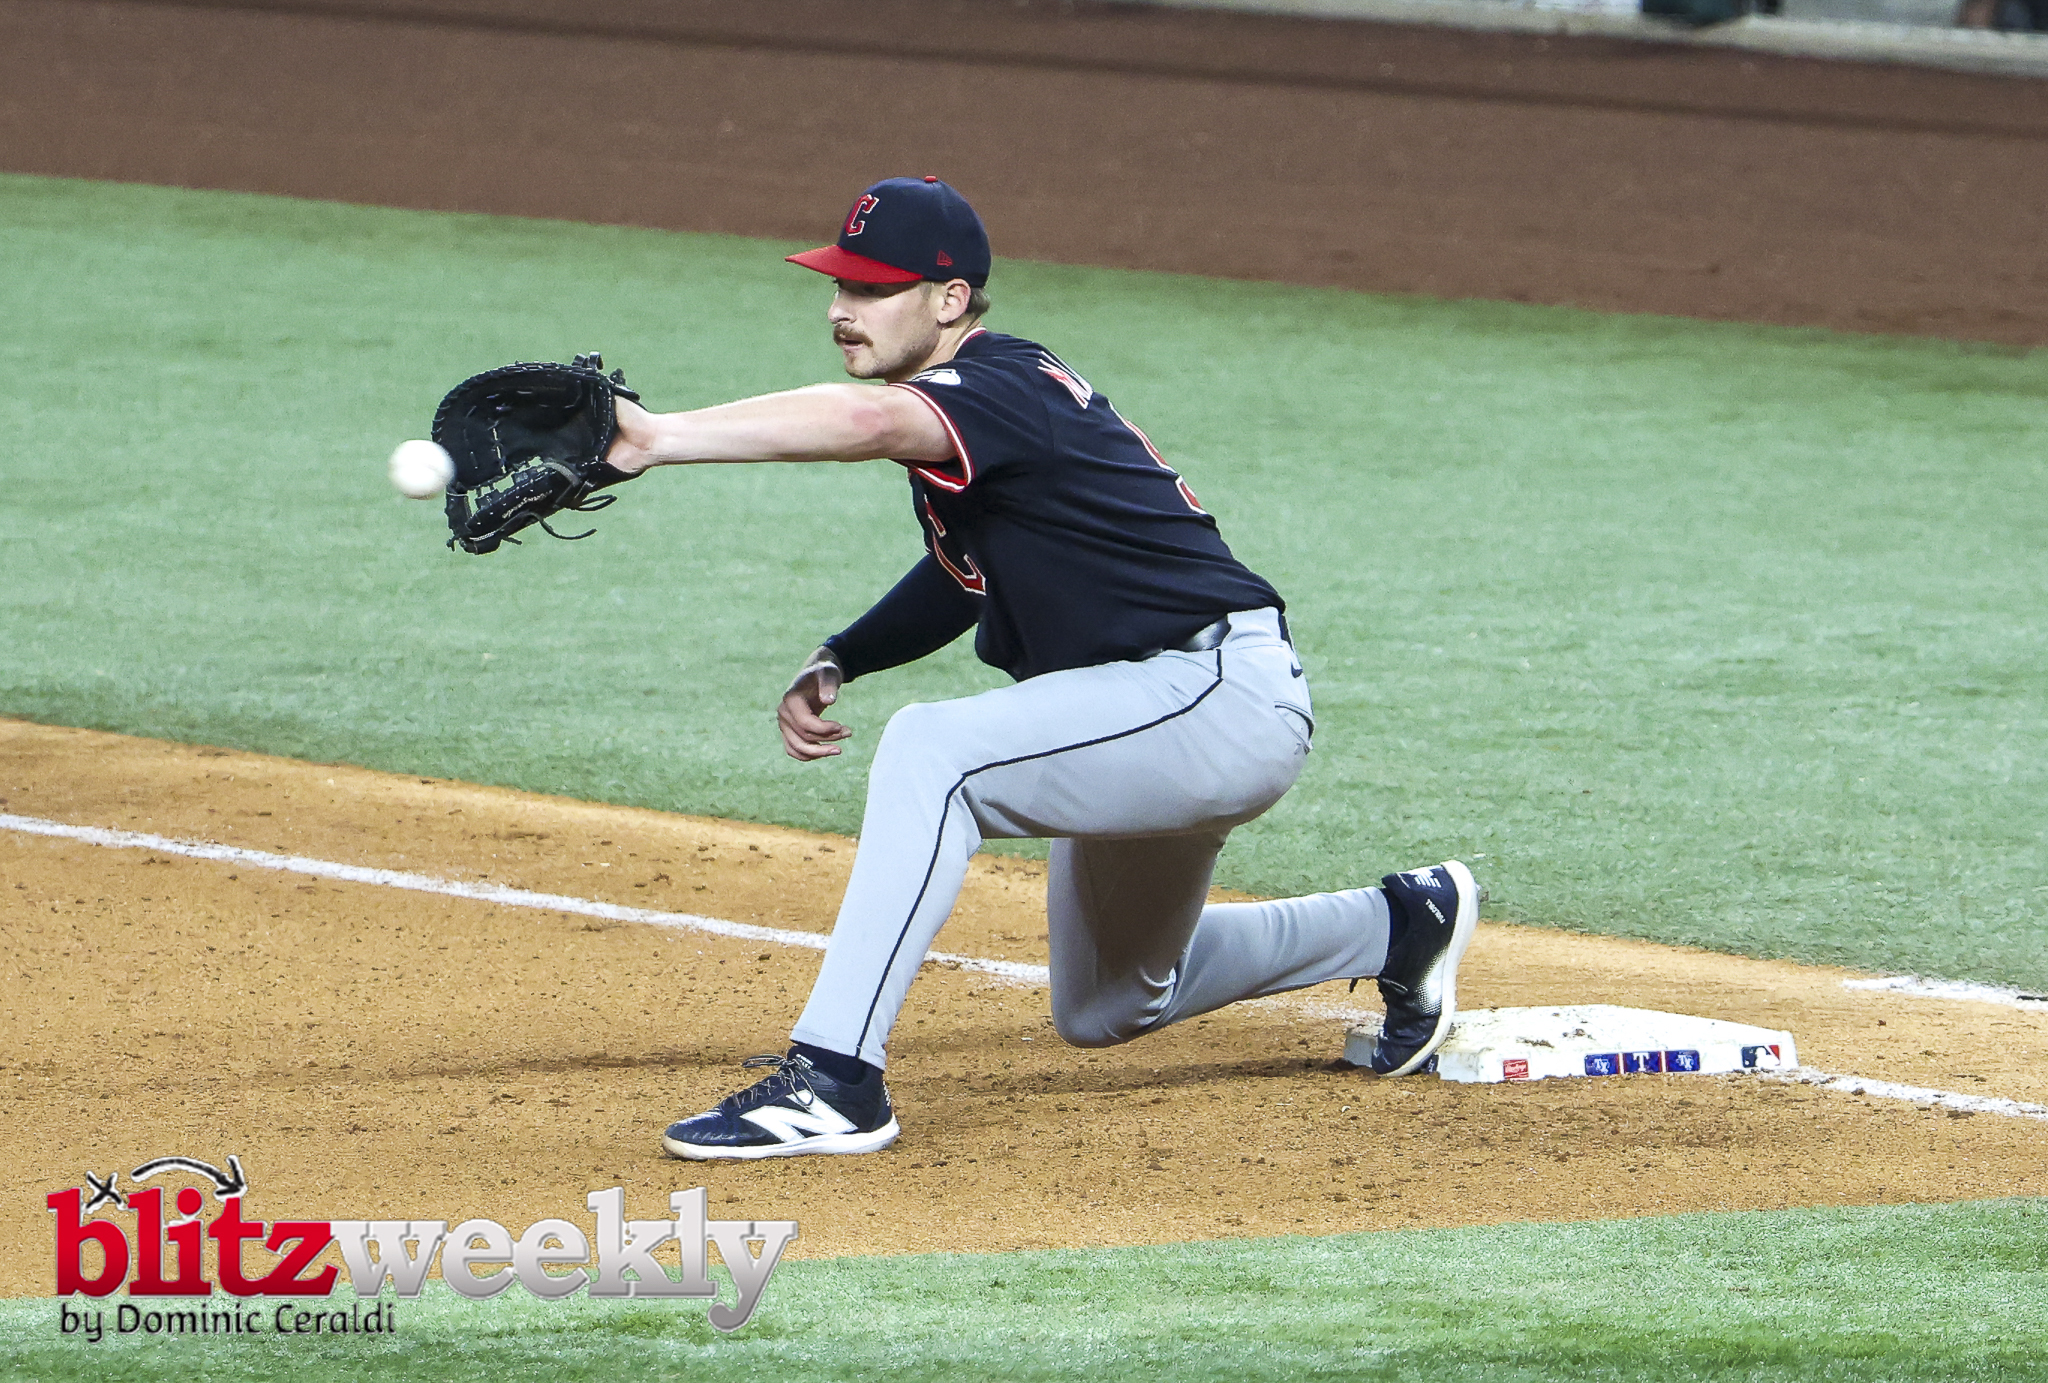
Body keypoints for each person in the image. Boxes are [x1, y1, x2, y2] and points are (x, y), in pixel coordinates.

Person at [602, 176, 1480, 1161]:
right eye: (840, 285)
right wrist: (845, 654)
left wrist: (658, 437)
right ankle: (1397, 924)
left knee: (932, 751)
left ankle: (835, 1078)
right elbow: (965, 577)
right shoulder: (987, 417)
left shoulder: (1002, 382)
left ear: (949, 299)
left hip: (1211, 693)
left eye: (875, 289)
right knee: (1106, 1001)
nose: (843, 309)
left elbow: (867, 423)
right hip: (1147, 709)